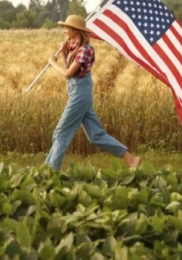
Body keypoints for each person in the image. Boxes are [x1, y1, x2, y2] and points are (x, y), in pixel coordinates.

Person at [44, 14, 142, 170]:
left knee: (61, 132)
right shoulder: (76, 49)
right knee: (96, 135)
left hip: (79, 96)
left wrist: (52, 63)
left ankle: (49, 171)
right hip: (79, 94)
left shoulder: (86, 50)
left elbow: (67, 74)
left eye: (66, 28)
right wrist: (64, 55)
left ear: (75, 30)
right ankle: (131, 160)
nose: (64, 31)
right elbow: (71, 71)